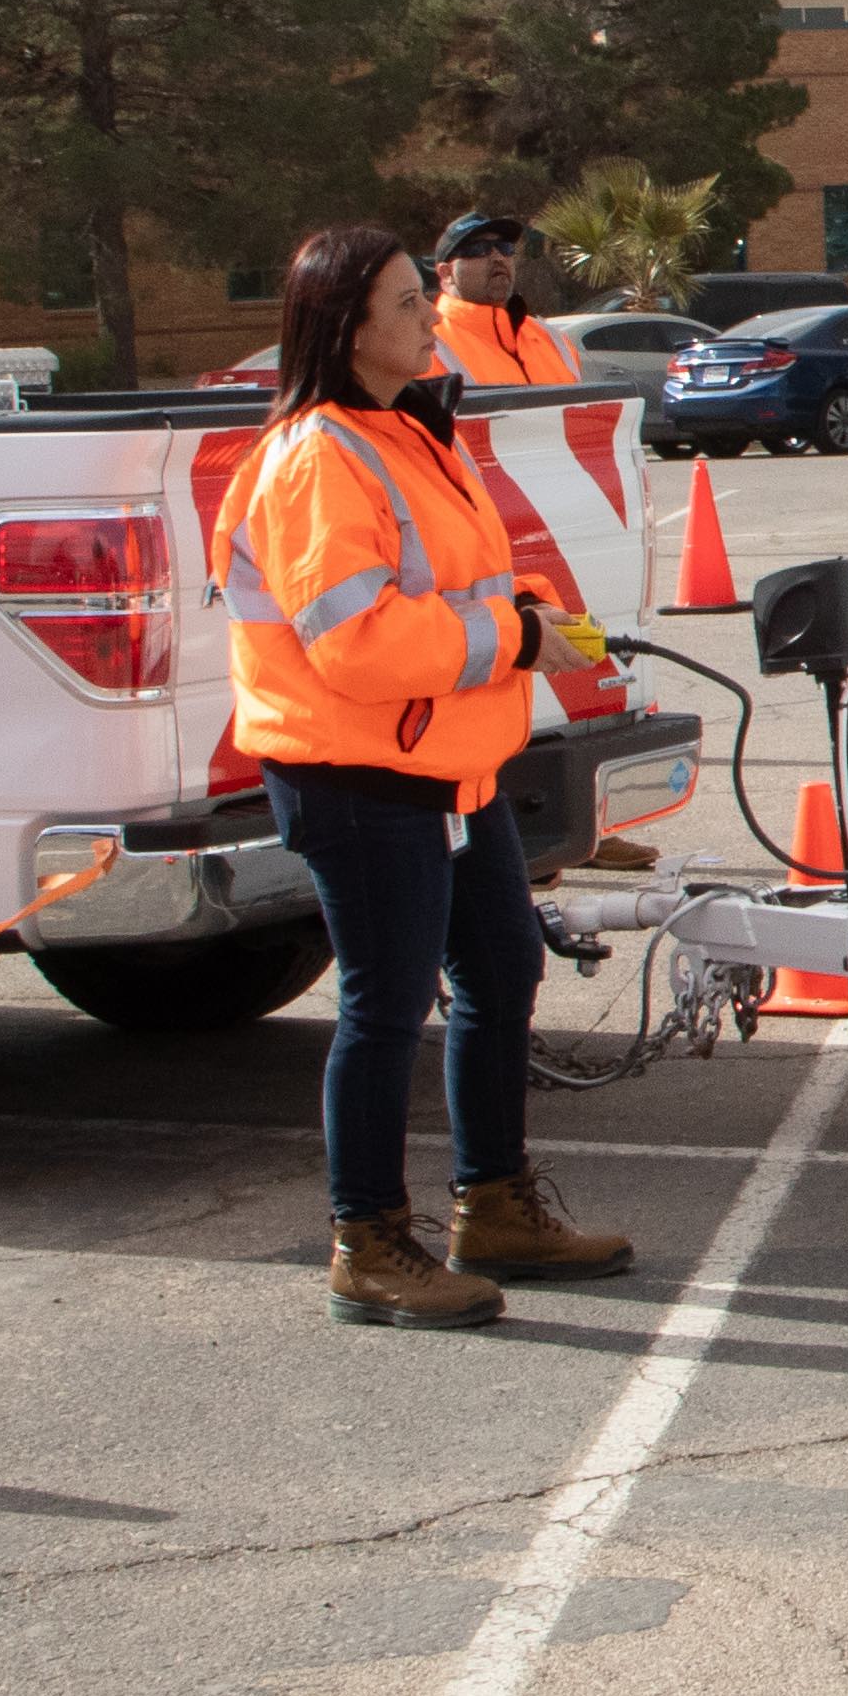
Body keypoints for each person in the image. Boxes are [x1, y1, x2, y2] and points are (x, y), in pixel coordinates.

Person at [221, 219, 637, 1330]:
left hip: (447, 768)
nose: (427, 318)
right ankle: (367, 1240)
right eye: (407, 303)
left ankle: (493, 1205)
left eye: (421, 298)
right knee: (386, 1007)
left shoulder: (406, 431)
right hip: (357, 777)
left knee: (502, 974)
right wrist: (508, 637)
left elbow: (463, 580)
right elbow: (357, 642)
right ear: (346, 331)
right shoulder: (320, 455)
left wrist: (531, 610)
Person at [430, 210, 579, 393]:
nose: (498, 257)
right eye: (479, 249)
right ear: (446, 274)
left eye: (505, 247)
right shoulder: (427, 344)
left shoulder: (553, 340)